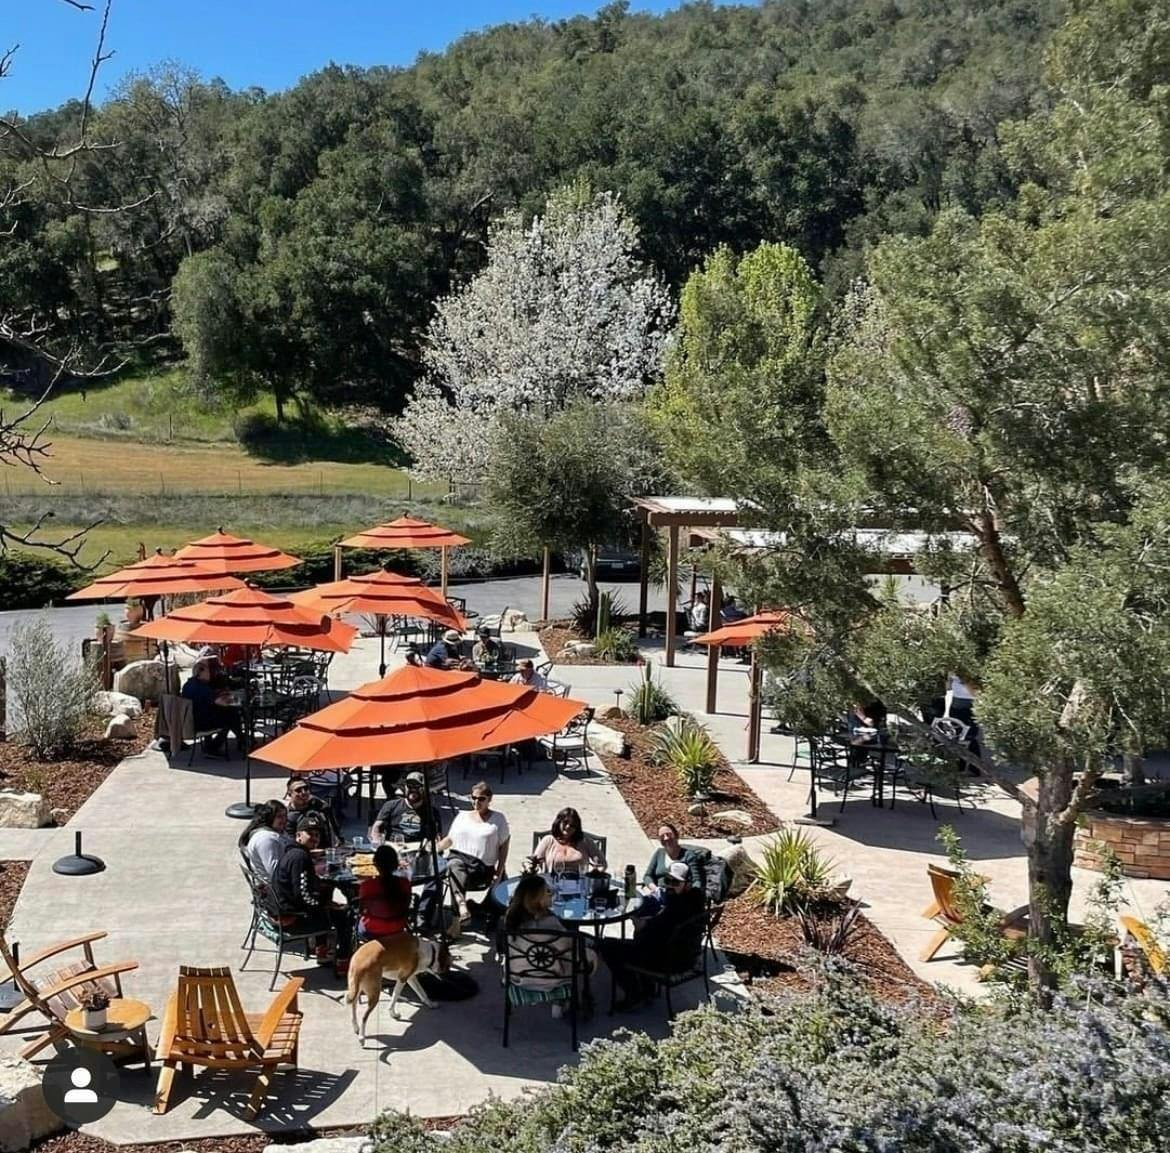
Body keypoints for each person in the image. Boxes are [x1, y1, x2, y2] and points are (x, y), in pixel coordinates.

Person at [600, 859, 706, 1011]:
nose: (669, 885)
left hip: (670, 962)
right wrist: (649, 923)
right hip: (686, 956)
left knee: (608, 946)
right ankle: (647, 989)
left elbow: (655, 926)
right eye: (668, 880)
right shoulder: (696, 900)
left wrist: (641, 923)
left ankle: (634, 994)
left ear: (688, 884)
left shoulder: (677, 906)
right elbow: (663, 923)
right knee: (637, 939)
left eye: (676, 883)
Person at [504, 873, 587, 1018]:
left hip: (518, 977)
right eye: (548, 892)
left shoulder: (510, 921)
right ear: (538, 899)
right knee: (583, 955)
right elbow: (568, 947)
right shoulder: (550, 925)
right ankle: (561, 1000)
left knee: (545, 954)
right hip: (549, 980)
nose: (551, 894)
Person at [270, 818, 353, 963]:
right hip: (292, 920)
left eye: (317, 834)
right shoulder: (300, 858)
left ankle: (322, 949)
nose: (314, 838)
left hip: (281, 910)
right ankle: (343, 959)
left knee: (325, 893)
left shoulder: (292, 851)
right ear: (298, 836)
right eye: (310, 834)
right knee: (345, 916)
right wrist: (325, 905)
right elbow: (303, 895)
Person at [437, 781, 510, 925]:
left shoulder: (498, 819)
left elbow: (504, 846)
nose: (476, 802)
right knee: (454, 864)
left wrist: (500, 871)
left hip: (480, 869)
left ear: (489, 799)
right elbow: (450, 839)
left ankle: (456, 920)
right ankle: (461, 907)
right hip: (458, 859)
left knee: (454, 870)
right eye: (473, 798)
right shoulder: (462, 816)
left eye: (481, 799)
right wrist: (435, 848)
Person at [181, 658, 247, 753]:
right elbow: (222, 702)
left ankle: (241, 739)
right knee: (231, 715)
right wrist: (232, 697)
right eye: (211, 670)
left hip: (191, 719)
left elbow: (207, 700)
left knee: (227, 713)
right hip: (200, 723)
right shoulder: (201, 688)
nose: (214, 673)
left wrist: (218, 692)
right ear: (201, 672)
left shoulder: (189, 684)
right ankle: (215, 746)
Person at [356, 844, 412, 941]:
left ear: (375, 864)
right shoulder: (404, 883)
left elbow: (361, 909)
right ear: (396, 864)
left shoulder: (367, 885)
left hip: (371, 931)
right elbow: (407, 905)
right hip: (398, 927)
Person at [371, 771, 440, 845]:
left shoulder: (431, 812)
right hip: (393, 846)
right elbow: (376, 827)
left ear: (424, 789)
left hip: (418, 848)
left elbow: (436, 837)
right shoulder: (391, 805)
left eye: (416, 786)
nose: (413, 789)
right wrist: (377, 841)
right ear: (405, 787)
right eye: (409, 786)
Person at [530, 808, 606, 874]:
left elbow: (602, 864)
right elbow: (533, 862)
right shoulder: (548, 840)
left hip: (579, 886)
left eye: (573, 825)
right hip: (552, 886)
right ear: (558, 822)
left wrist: (595, 872)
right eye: (565, 822)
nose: (568, 827)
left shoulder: (585, 841)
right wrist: (530, 867)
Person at [642, 822, 703, 896]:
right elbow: (647, 876)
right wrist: (655, 889)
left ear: (676, 835)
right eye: (662, 836)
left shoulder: (688, 855)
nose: (666, 838)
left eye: (669, 834)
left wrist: (689, 891)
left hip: (680, 896)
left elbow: (697, 880)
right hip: (659, 894)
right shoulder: (659, 853)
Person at [238, 799, 288, 881]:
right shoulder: (266, 839)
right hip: (277, 887)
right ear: (270, 818)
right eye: (279, 816)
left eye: (285, 815)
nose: (284, 819)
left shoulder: (277, 831)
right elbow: (274, 872)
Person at [284, 777, 340, 848]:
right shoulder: (288, 817)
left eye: (306, 789)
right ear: (289, 794)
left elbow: (332, 825)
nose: (303, 792)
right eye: (298, 790)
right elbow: (290, 842)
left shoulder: (317, 805)